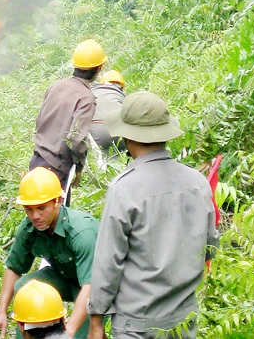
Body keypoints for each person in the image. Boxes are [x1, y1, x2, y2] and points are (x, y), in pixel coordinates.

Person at [87, 91, 220, 339]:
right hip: (183, 321)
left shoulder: (123, 188)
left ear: (127, 137)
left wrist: (96, 320)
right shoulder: (197, 183)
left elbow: (108, 262)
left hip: (136, 325)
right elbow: (210, 247)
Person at [0, 167, 106, 339]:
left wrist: (69, 332)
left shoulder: (81, 232)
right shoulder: (29, 227)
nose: (35, 216)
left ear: (57, 201)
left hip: (97, 285)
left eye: (42, 208)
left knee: (85, 326)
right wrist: (1, 313)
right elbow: (14, 268)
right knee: (25, 287)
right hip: (66, 277)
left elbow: (90, 286)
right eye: (29, 209)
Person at [30, 39, 107, 205]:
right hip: (56, 170)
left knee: (35, 217)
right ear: (99, 69)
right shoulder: (86, 97)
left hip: (36, 161)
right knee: (57, 225)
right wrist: (78, 169)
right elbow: (77, 139)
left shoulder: (56, 86)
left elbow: (39, 122)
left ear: (75, 65)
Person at [89, 70, 127, 153]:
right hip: (119, 131)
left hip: (96, 131)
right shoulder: (122, 96)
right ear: (122, 87)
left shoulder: (92, 90)